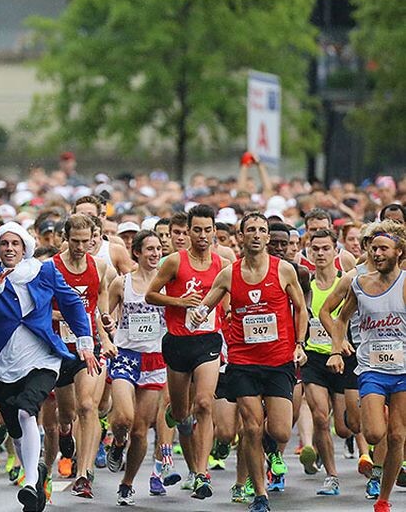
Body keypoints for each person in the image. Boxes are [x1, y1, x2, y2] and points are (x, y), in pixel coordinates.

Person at [0, 222, 98, 512]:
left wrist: (85, 342)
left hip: (42, 357)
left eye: (15, 244)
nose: (10, 249)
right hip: (3, 363)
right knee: (14, 425)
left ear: (25, 248)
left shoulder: (43, 271)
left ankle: (31, 480)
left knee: (27, 411)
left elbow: (72, 303)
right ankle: (35, 476)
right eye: (4, 244)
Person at [192, 212, 309, 512]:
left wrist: (299, 344)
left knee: (280, 431)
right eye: (251, 230)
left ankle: (271, 448)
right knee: (252, 427)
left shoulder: (284, 270)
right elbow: (206, 305)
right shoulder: (229, 274)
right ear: (241, 236)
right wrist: (196, 316)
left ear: (268, 237)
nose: (256, 234)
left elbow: (301, 309)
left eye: (261, 230)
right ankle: (260, 494)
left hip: (279, 360)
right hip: (243, 361)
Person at [145, 204, 228, 499]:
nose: (202, 235)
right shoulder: (174, 262)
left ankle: (202, 474)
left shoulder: (222, 264)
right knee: (182, 413)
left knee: (204, 404)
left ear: (214, 231)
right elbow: (150, 294)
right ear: (188, 232)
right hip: (178, 342)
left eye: (207, 230)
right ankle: (173, 413)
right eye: (197, 230)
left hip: (208, 341)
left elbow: (228, 300)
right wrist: (180, 302)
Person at [325, 220, 406, 512]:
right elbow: (340, 318)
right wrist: (336, 350)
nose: (377, 253)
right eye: (374, 249)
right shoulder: (359, 283)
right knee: (373, 433)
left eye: (384, 248)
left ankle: (383, 499)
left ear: (399, 252)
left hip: (403, 371)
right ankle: (376, 413)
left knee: (397, 436)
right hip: (372, 368)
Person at [50, 214, 113, 499]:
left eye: (85, 241)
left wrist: (106, 323)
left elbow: (101, 300)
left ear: (93, 239)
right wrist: (59, 314)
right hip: (59, 348)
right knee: (67, 413)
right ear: (66, 238)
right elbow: (37, 306)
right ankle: (65, 431)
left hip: (88, 346)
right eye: (74, 241)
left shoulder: (99, 266)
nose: (79, 247)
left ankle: (83, 474)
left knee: (87, 405)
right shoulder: (51, 267)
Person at [105, 230, 168, 505]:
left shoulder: (167, 284)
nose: (155, 254)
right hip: (126, 355)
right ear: (137, 252)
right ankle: (118, 442)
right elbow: (102, 315)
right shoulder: (122, 283)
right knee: (123, 418)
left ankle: (127, 483)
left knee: (141, 431)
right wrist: (106, 334)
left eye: (159, 249)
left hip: (155, 359)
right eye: (150, 249)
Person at [299, 228, 348, 495]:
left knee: (345, 427)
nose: (320, 253)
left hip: (344, 357)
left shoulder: (346, 283)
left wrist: (343, 342)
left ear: (335, 251)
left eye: (326, 248)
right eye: (315, 249)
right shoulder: (305, 286)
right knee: (319, 417)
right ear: (308, 252)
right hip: (314, 358)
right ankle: (332, 476)